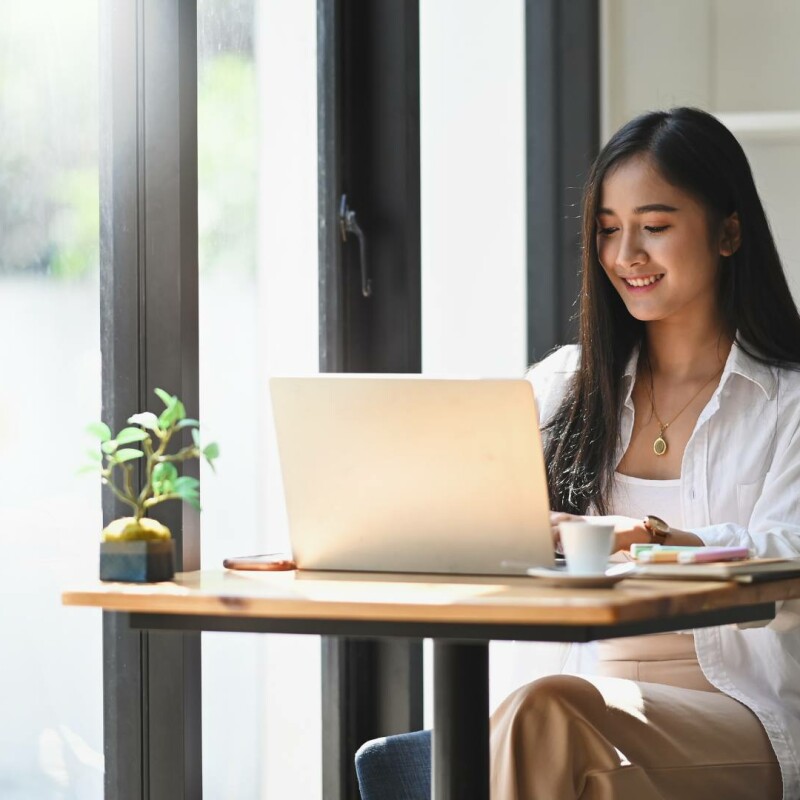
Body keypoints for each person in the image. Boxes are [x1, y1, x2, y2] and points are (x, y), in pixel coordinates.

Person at [354, 106, 800, 800]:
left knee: (543, 715)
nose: (627, 256)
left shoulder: (788, 401)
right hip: (581, 699)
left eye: (654, 227)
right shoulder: (565, 384)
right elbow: (471, 520)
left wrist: (657, 540)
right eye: (608, 231)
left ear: (729, 231)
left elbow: (791, 549)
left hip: (742, 713)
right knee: (545, 718)